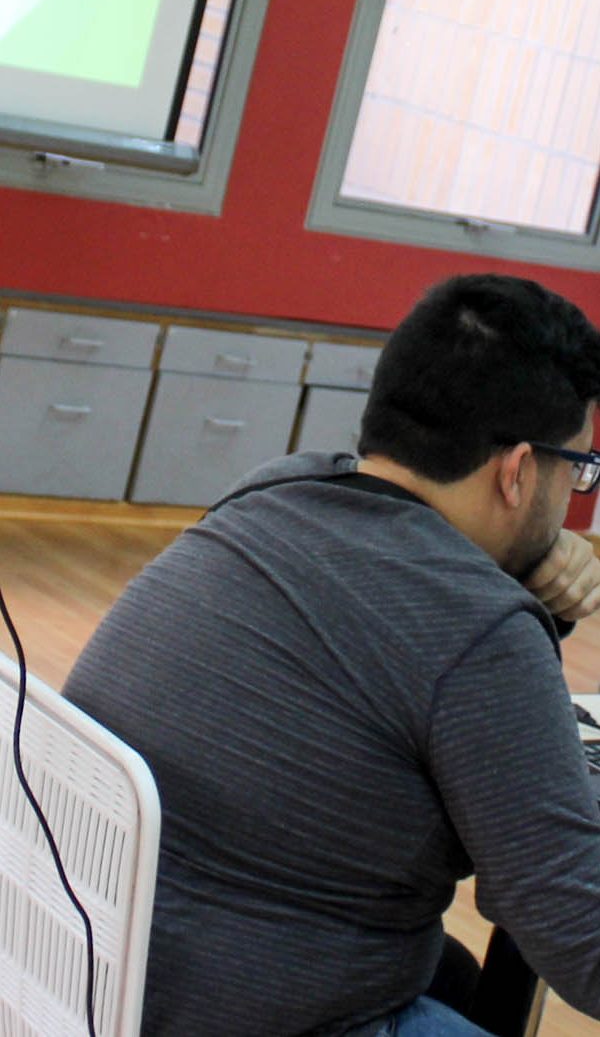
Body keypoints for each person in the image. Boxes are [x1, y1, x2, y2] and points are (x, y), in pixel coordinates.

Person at [64, 272, 600, 1036]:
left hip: (92, 962)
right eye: (577, 470)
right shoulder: (482, 632)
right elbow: (579, 934)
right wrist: (512, 598)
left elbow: (391, 628)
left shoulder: (270, 489)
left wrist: (525, 574)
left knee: (451, 970)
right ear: (517, 471)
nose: (573, 499)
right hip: (247, 1007)